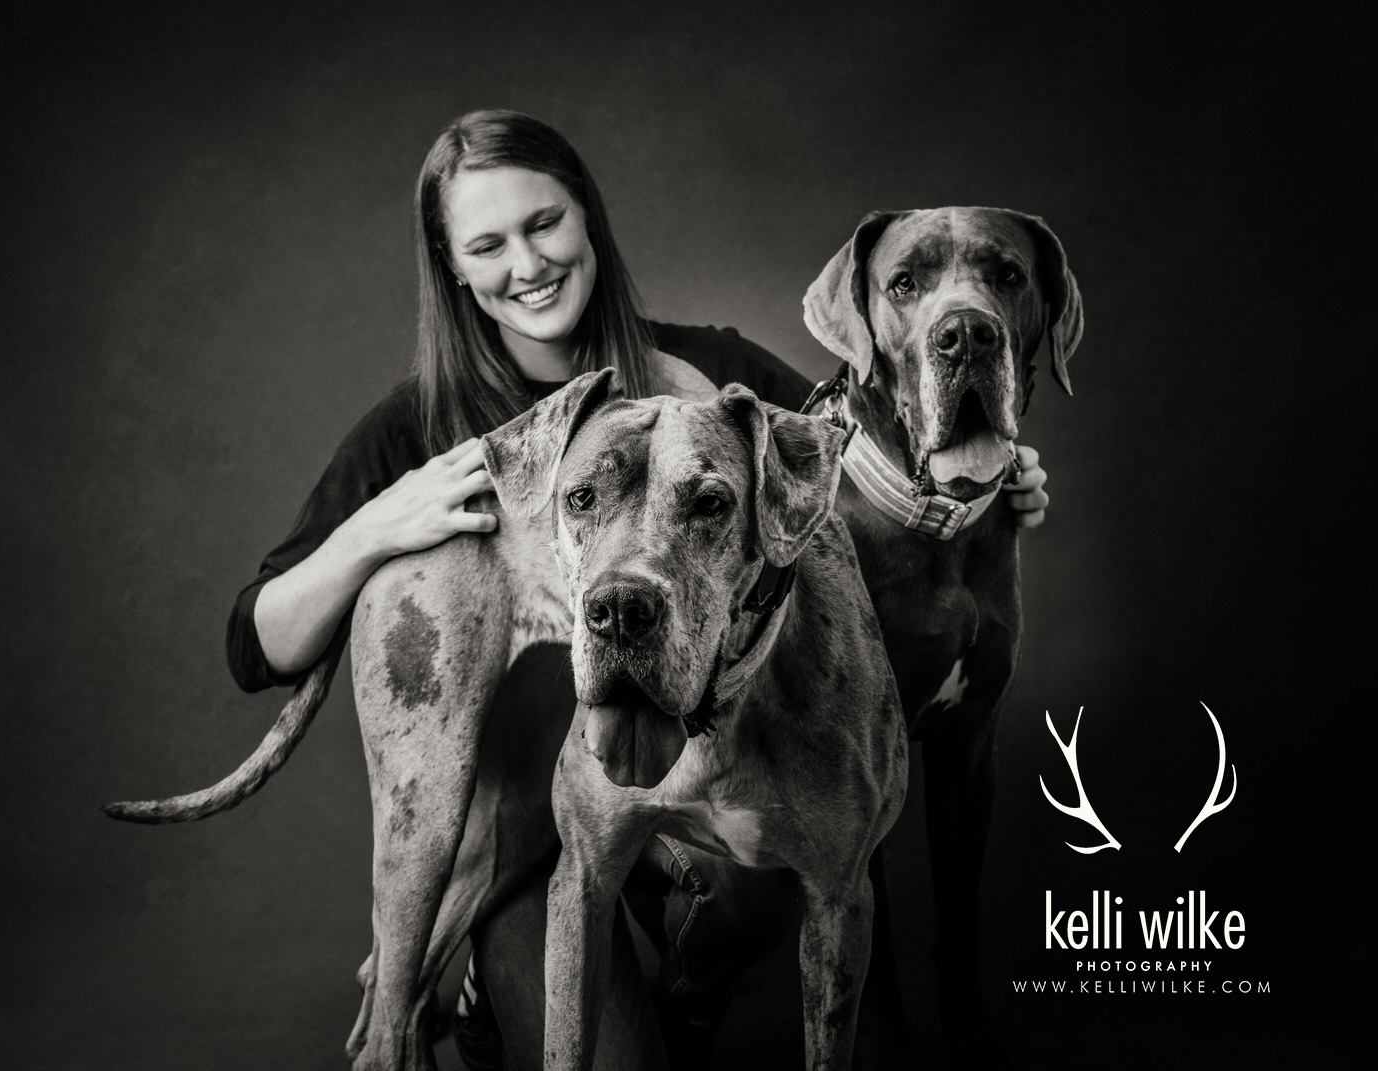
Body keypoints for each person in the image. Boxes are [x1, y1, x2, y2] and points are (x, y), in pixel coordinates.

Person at [225, 109, 1050, 1070]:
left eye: (545, 224)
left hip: (694, 809)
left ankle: (690, 993)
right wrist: (376, 523)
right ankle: (494, 965)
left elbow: (856, 461)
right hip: (533, 839)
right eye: (487, 244)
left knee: (773, 880)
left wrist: (980, 477)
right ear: (453, 266)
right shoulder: (416, 428)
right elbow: (257, 644)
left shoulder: (714, 376)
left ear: (587, 220)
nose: (526, 262)